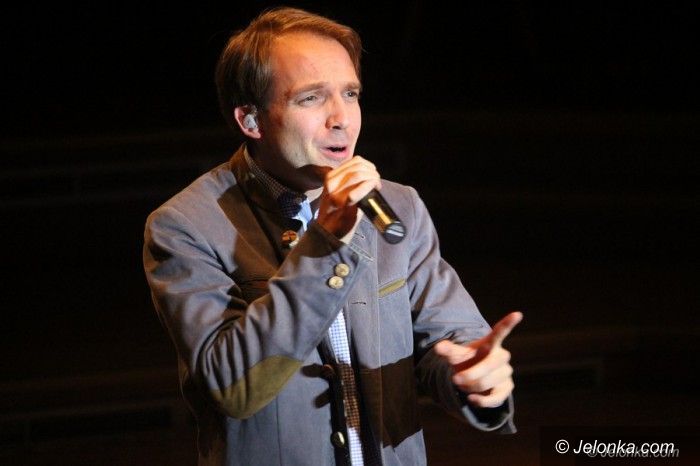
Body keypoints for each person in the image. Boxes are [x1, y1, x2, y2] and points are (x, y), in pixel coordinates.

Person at [143, 6, 522, 465]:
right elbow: (234, 386)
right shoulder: (186, 225)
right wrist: (324, 244)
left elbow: (448, 338)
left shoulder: (398, 206)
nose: (341, 117)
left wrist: (474, 374)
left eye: (350, 93)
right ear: (251, 120)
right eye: (311, 98)